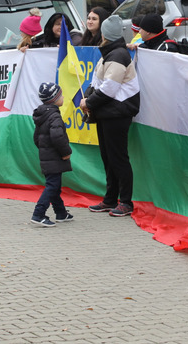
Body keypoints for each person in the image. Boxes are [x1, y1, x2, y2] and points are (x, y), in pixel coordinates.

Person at [80, 15, 140, 218]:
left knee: (118, 157)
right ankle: (110, 198)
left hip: (118, 113)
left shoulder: (117, 55)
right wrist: (87, 97)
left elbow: (108, 89)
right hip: (108, 113)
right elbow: (96, 81)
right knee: (108, 157)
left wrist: (88, 102)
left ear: (105, 34)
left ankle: (126, 202)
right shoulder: (110, 53)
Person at [30, 82, 74, 227]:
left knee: (55, 185)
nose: (63, 97)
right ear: (54, 99)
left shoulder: (42, 115)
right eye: (60, 95)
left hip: (46, 156)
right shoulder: (54, 116)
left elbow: (36, 138)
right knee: (52, 186)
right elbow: (58, 137)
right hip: (55, 157)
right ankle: (38, 214)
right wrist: (66, 152)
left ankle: (60, 213)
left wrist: (44, 150)